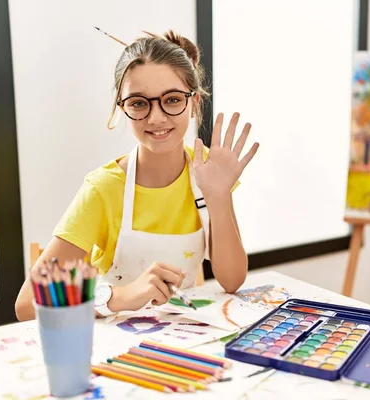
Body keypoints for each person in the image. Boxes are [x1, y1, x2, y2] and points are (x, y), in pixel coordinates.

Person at [14, 30, 259, 321]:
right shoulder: (104, 188)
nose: (156, 118)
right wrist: (119, 297)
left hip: (184, 338)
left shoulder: (207, 170)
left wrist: (219, 197)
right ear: (122, 108)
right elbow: (28, 305)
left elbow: (232, 281)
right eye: (139, 103)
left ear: (193, 102)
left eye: (172, 99)